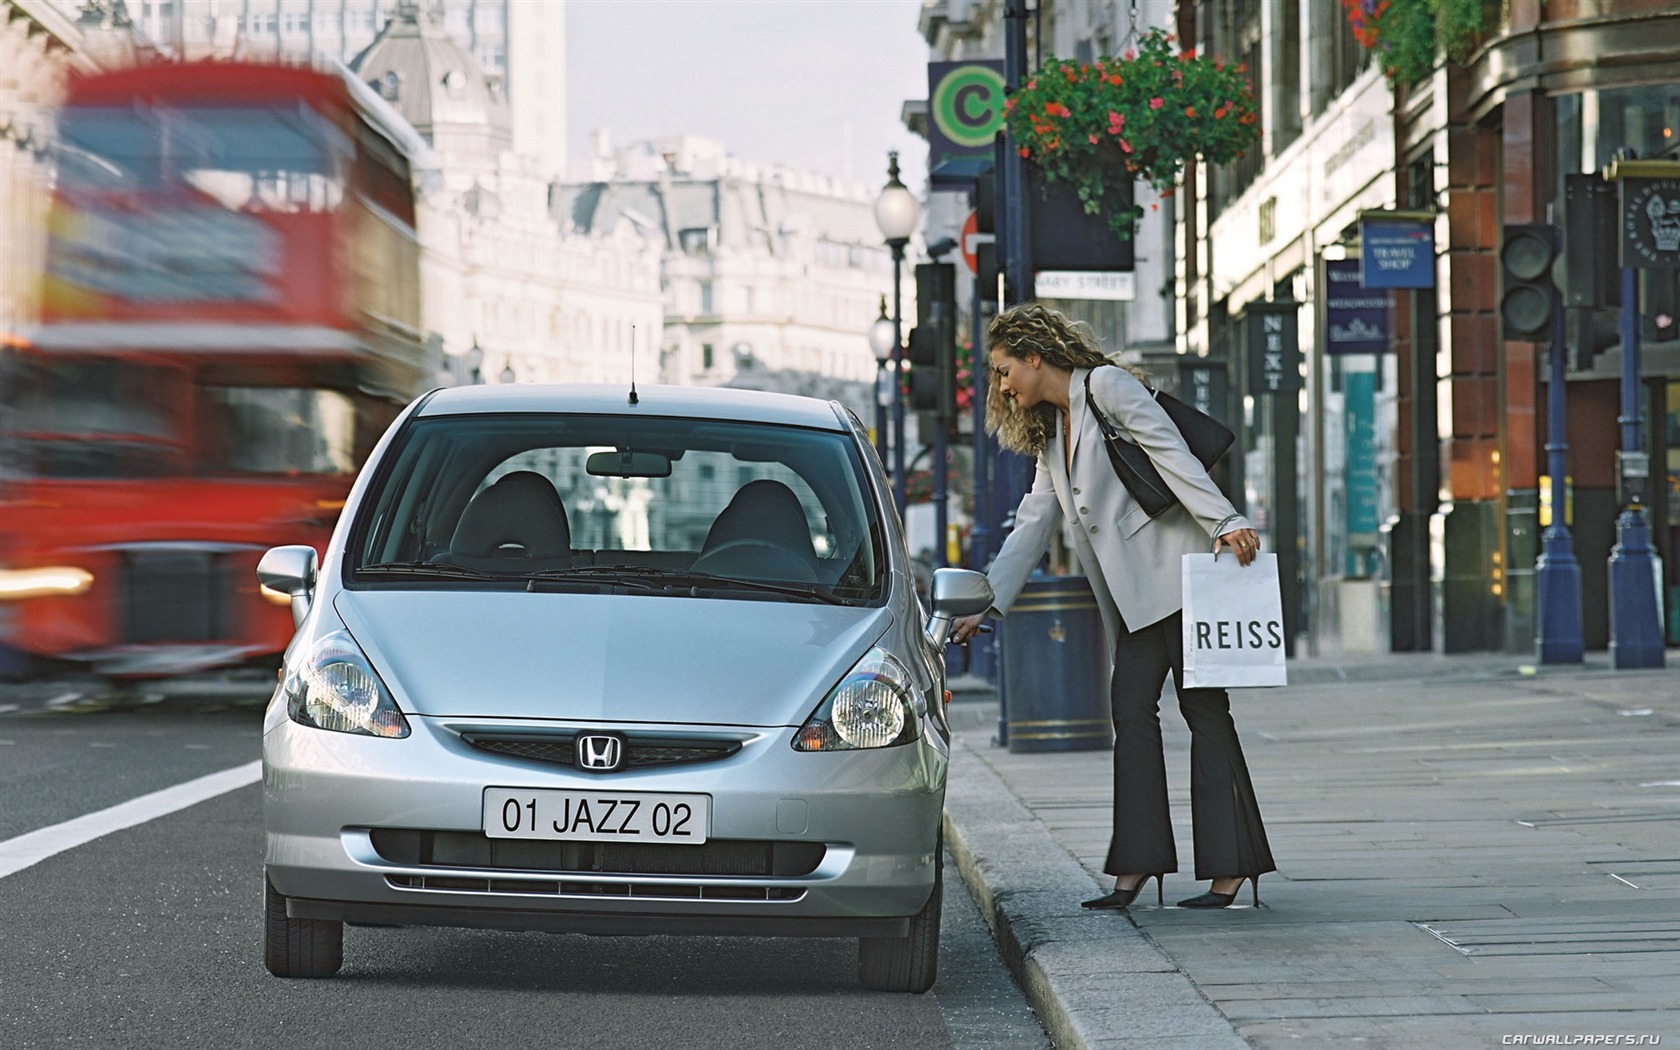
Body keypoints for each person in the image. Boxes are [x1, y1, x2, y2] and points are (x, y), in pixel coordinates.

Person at [950, 303, 1276, 910]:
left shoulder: (1107, 387)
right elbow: (1034, 521)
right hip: (1132, 599)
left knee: (1204, 711)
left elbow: (1173, 454)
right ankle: (1138, 866)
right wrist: (987, 601)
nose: (1000, 384)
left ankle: (1230, 869)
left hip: (1178, 582)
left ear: (1034, 356)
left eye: (1002, 370)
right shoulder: (1052, 432)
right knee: (1131, 712)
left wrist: (1225, 519)